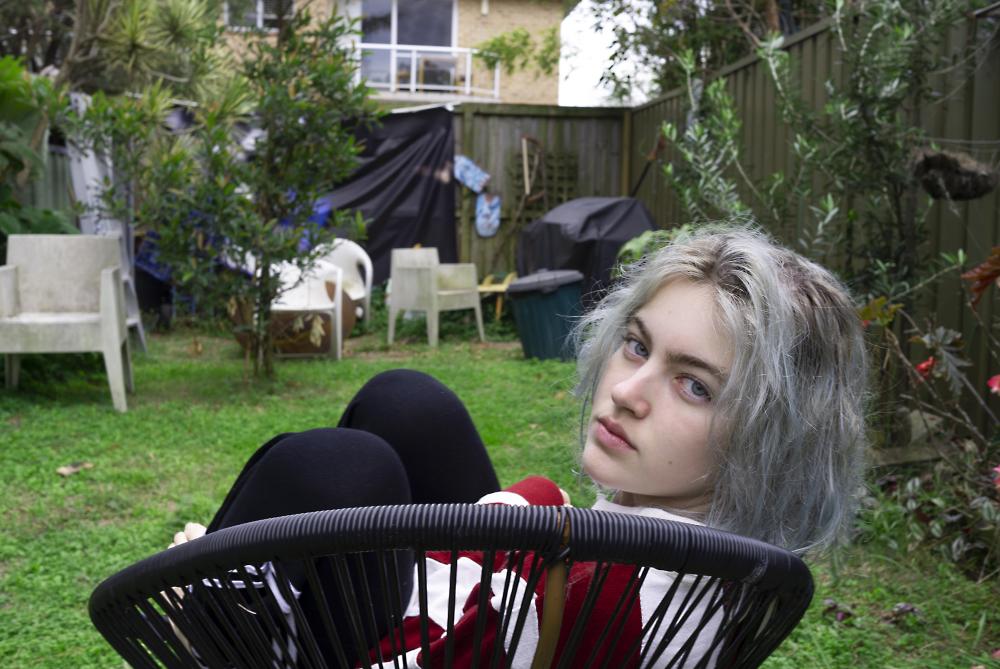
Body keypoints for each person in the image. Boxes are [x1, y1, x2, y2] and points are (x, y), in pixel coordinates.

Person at [169, 224, 868, 667]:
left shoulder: (610, 591)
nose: (628, 390)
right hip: (523, 607)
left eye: (695, 386)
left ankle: (215, 605)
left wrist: (519, 519)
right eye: (637, 345)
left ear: (770, 440)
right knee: (409, 404)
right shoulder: (708, 562)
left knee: (340, 472)